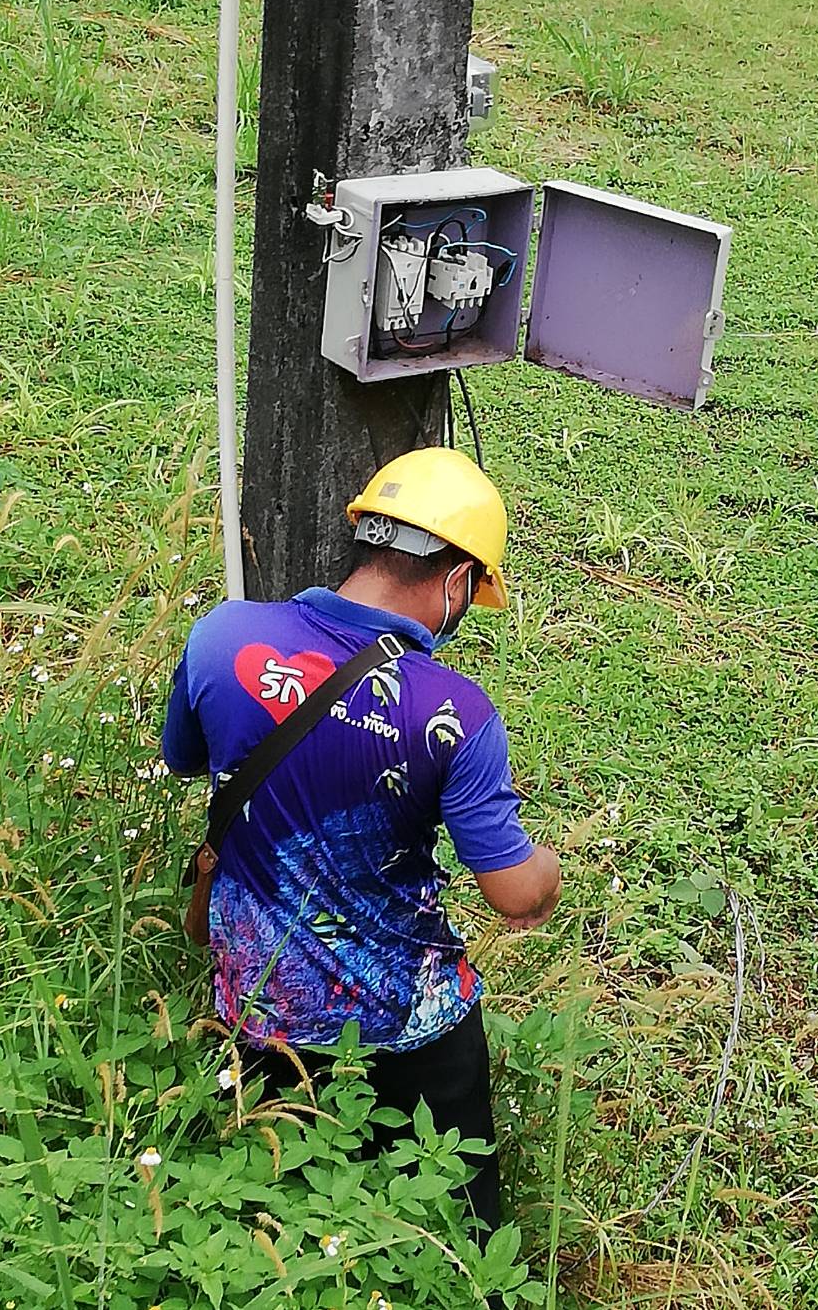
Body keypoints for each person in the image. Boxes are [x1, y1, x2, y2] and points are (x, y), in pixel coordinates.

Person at [161, 447, 562, 1233]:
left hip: (261, 1014)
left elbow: (184, 756)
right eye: (471, 593)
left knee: (282, 1229)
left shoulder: (222, 636)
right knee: (455, 1241)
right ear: (454, 578)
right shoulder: (453, 710)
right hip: (411, 1028)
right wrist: (548, 866)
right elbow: (516, 895)